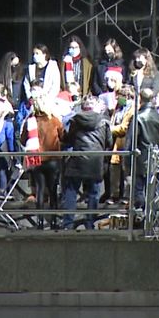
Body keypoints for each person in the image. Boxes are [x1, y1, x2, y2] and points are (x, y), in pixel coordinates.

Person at [61, 97, 113, 229]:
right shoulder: (104, 121)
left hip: (78, 160)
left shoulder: (75, 120)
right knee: (93, 194)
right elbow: (109, 142)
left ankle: (68, 223)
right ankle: (90, 223)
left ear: (83, 107)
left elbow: (69, 140)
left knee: (71, 191)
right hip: (96, 160)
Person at [21, 94, 65, 225]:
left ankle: (39, 221)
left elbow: (23, 139)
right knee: (52, 190)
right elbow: (63, 137)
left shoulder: (30, 120)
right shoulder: (54, 120)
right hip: (52, 159)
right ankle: (54, 220)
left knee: (39, 190)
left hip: (37, 159)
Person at [61, 34, 96, 100]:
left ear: (80, 47)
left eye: (76, 47)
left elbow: (90, 80)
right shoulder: (64, 61)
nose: (74, 49)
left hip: (82, 95)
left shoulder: (87, 62)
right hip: (67, 96)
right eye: (71, 47)